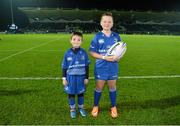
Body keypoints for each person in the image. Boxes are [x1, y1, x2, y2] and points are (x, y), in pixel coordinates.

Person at [89, 12, 121, 118]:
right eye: (104, 21)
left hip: (113, 66)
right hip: (101, 66)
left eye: (109, 21)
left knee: (112, 86)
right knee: (99, 87)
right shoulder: (97, 36)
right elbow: (92, 52)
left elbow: (120, 51)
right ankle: (95, 106)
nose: (107, 23)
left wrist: (118, 57)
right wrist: (104, 57)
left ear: (112, 23)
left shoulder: (117, 36)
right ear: (101, 23)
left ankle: (113, 106)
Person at [61, 31, 90, 118]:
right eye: (74, 39)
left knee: (80, 93)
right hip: (70, 77)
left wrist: (86, 77)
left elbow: (87, 66)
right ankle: (72, 109)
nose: (76, 41)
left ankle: (81, 108)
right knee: (71, 93)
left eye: (79, 40)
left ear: (82, 42)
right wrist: (64, 78)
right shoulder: (67, 53)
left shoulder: (84, 53)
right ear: (71, 40)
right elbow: (64, 67)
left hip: (81, 77)